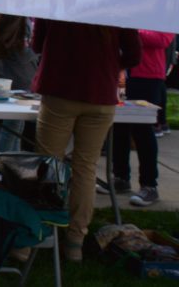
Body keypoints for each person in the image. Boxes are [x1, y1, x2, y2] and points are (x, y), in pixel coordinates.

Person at [31, 20, 141, 262]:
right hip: (100, 92)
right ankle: (75, 240)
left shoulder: (56, 0)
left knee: (48, 164)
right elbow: (134, 55)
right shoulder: (118, 6)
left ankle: (35, 233)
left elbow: (36, 44)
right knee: (85, 168)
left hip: (60, 89)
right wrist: (109, 62)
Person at [105, 29, 175, 206]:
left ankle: (149, 185)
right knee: (118, 127)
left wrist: (129, 32)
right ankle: (120, 177)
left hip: (147, 76)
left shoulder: (162, 11)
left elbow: (162, 39)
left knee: (142, 129)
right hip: (122, 74)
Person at [0, 14, 38, 152]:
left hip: (11, 78)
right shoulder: (17, 21)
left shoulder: (4, 19)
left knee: (15, 128)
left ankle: (8, 163)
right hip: (20, 79)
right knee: (12, 129)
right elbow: (27, 51)